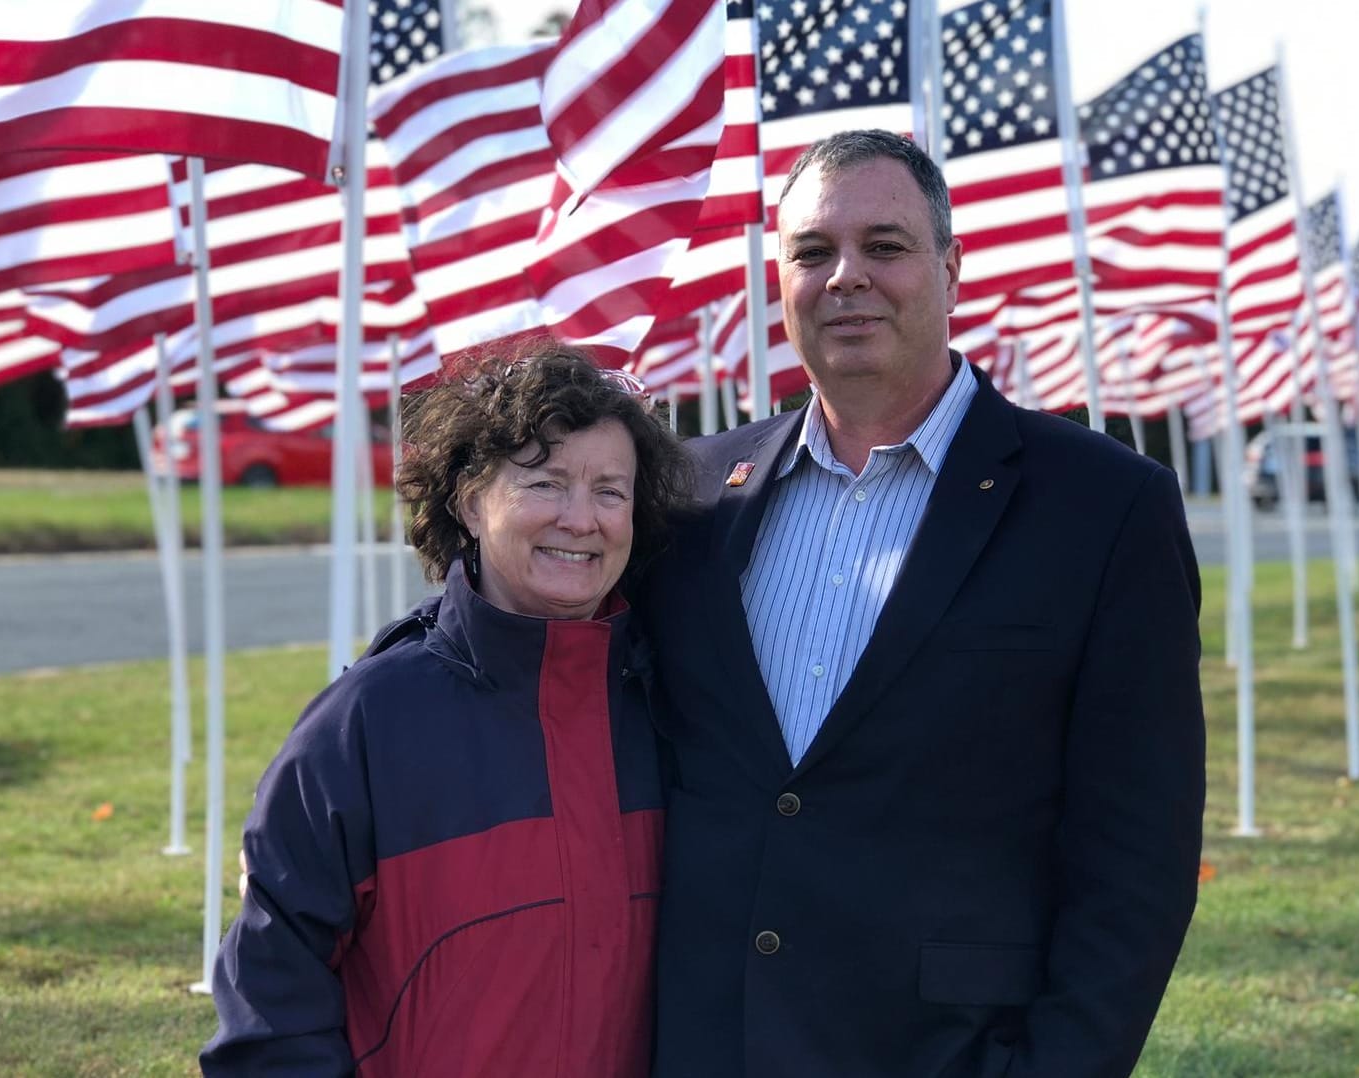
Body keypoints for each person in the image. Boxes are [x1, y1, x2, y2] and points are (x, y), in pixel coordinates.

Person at [640, 129, 1206, 1077]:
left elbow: (1136, 861)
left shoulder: (1106, 507)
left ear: (951, 268)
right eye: (813, 252)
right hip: (704, 1039)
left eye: (885, 246)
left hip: (946, 1049)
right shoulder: (693, 492)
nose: (846, 276)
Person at [200, 347, 692, 1077]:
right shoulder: (366, 723)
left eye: (610, 491)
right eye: (544, 482)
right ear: (469, 501)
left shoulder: (676, 708)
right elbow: (272, 1001)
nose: (580, 518)